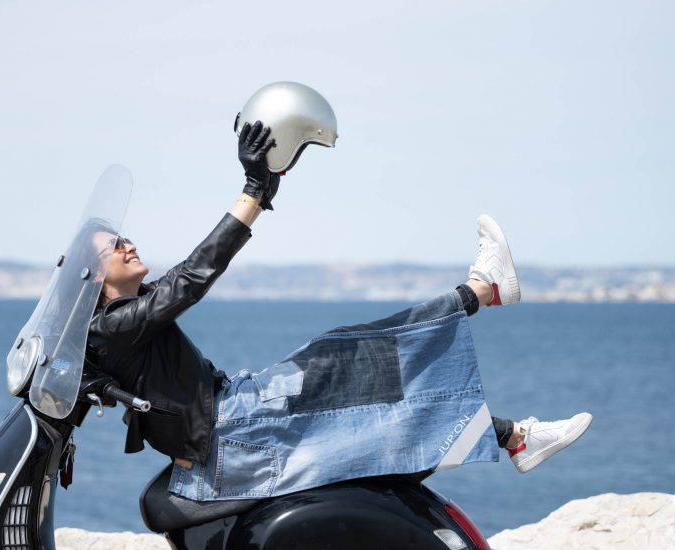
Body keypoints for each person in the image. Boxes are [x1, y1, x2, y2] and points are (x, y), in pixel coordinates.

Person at [85, 121, 592, 502]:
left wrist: (263, 190)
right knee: (363, 367)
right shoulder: (114, 326)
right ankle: (483, 295)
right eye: (114, 245)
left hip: (236, 413)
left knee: (364, 365)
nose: (129, 244)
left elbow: (180, 285)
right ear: (93, 277)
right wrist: (253, 192)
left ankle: (514, 431)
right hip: (233, 429)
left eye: (125, 236)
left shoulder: (117, 326)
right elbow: (193, 276)